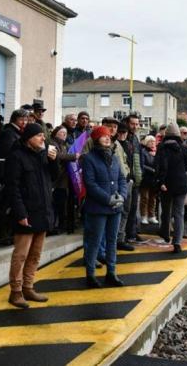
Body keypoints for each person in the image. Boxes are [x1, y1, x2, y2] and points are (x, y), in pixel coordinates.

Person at [4, 123, 58, 309]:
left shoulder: (43, 155)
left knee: (35, 254)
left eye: (43, 135)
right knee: (21, 255)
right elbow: (13, 187)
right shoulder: (16, 157)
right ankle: (16, 291)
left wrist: (53, 160)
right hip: (26, 213)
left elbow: (54, 177)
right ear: (28, 138)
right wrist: (20, 213)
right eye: (39, 135)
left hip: (42, 211)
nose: (43, 138)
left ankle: (28, 286)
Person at [82, 125, 127, 288]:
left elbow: (122, 178)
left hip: (115, 207)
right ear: (96, 139)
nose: (108, 138)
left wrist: (122, 195)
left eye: (108, 135)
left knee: (112, 241)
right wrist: (108, 199)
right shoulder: (88, 158)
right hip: (98, 207)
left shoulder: (114, 158)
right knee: (94, 242)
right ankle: (90, 275)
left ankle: (111, 273)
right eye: (103, 136)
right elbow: (90, 184)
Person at [154, 122, 187, 253]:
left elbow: (159, 166)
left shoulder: (162, 147)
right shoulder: (185, 148)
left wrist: (161, 182)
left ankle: (165, 235)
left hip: (166, 184)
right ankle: (177, 242)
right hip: (181, 184)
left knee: (165, 211)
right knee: (179, 213)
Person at [49, 125, 79, 234]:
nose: (64, 135)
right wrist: (73, 156)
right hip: (56, 179)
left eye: (65, 133)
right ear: (55, 133)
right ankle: (53, 226)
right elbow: (58, 156)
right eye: (62, 133)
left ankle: (59, 225)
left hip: (63, 180)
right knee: (55, 204)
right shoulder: (52, 143)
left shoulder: (64, 145)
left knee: (61, 203)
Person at [122, 114, 144, 243]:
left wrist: (141, 173)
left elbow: (138, 158)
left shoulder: (135, 138)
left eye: (137, 124)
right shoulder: (123, 138)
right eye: (133, 124)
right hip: (127, 178)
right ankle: (124, 235)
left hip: (136, 178)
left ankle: (132, 232)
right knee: (126, 209)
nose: (135, 126)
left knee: (134, 208)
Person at [139, 135, 159, 225]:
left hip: (154, 179)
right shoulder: (143, 152)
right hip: (146, 178)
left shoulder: (157, 152)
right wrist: (152, 170)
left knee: (153, 198)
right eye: (150, 142)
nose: (152, 143)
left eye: (153, 142)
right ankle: (144, 215)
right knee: (145, 198)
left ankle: (152, 216)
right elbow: (142, 164)